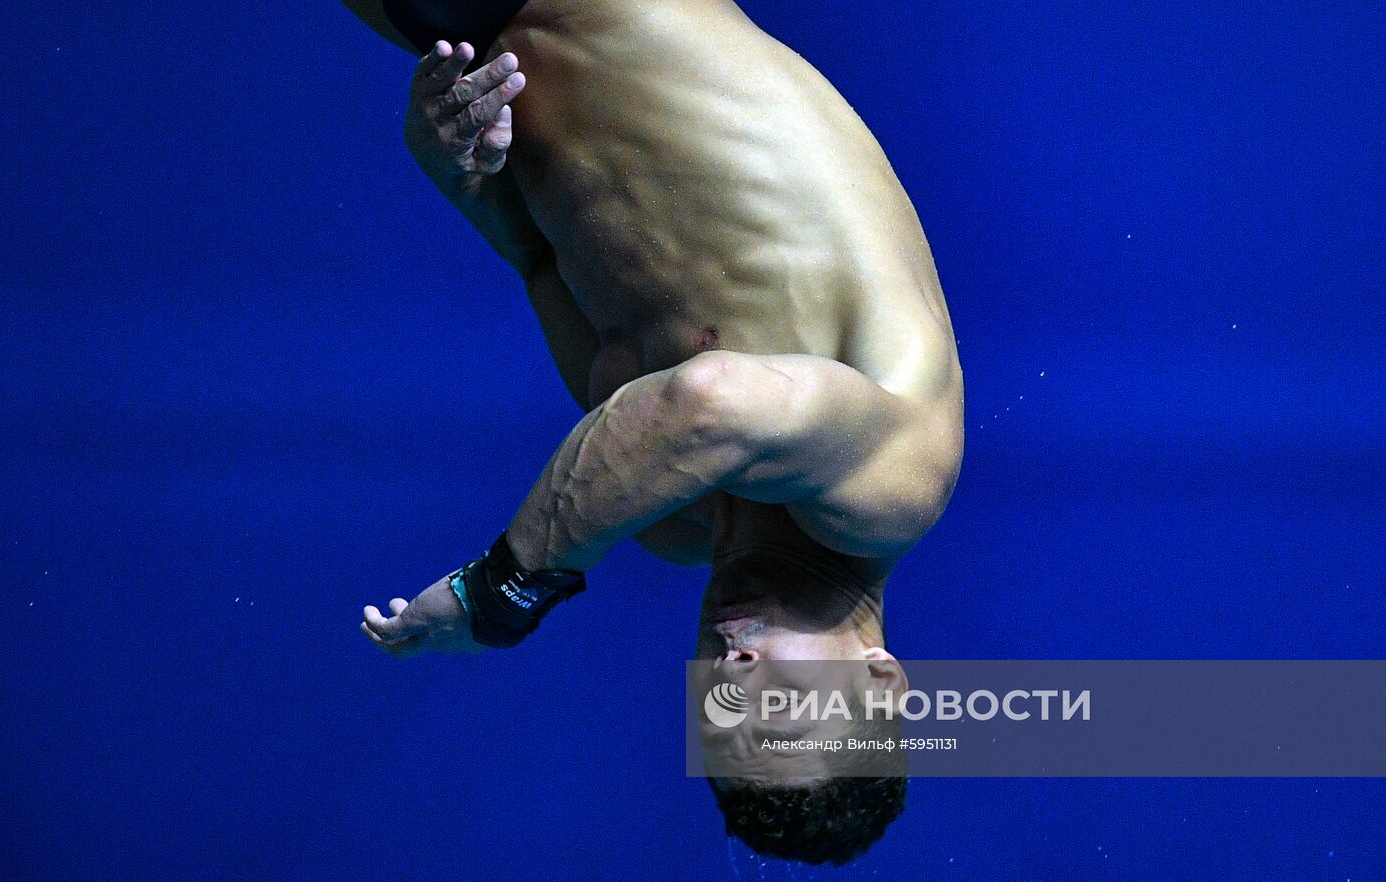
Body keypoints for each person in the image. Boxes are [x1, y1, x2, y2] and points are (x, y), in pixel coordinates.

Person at [345, 0, 963, 864]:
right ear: (880, 680)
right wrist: (507, 589)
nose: (733, 670)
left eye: (718, 709)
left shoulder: (667, 518)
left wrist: (456, 159)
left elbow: (539, 261)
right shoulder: (887, 490)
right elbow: (708, 403)